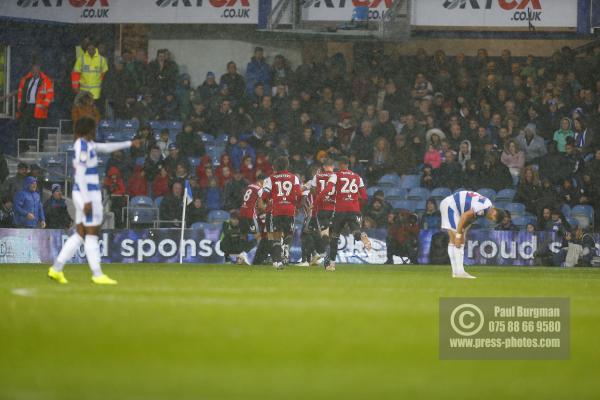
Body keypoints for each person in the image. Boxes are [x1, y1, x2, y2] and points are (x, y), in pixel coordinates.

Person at [48, 116, 141, 285]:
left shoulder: (87, 144)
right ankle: (97, 274)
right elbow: (81, 174)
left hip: (85, 193)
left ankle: (56, 268)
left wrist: (129, 143)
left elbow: (105, 148)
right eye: (93, 128)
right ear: (88, 130)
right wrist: (86, 201)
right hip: (87, 194)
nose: (95, 131)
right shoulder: (82, 146)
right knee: (91, 234)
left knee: (81, 234)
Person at [317, 156, 371, 271]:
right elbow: (365, 197)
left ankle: (332, 264)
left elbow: (328, 189)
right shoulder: (358, 177)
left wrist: (318, 199)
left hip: (340, 210)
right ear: (348, 164)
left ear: (340, 164)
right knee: (355, 232)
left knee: (334, 236)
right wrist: (356, 206)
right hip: (354, 210)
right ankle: (362, 235)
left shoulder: (335, 175)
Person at [439, 190, 504, 279]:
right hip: (450, 206)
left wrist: (463, 231)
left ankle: (456, 272)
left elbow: (470, 219)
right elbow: (464, 216)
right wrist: (459, 235)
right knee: (457, 240)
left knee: (454, 240)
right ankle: (460, 272)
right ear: (494, 212)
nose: (490, 219)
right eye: (492, 218)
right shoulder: (483, 207)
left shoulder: (487, 206)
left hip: (450, 205)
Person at [261, 156, 302, 269]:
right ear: (287, 165)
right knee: (289, 233)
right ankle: (285, 247)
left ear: (276, 166)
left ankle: (278, 262)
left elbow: (264, 196)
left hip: (277, 210)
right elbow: (299, 194)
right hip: (289, 209)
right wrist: (296, 206)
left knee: (276, 236)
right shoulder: (294, 178)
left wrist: (269, 200)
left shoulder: (271, 178)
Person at [304, 159, 337, 265]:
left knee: (322, 234)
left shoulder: (317, 177)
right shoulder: (337, 176)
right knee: (331, 234)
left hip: (321, 208)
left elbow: (313, 191)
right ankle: (326, 257)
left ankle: (323, 255)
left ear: (323, 166)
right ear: (333, 165)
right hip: (335, 209)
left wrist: (316, 192)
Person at [16, 61, 54, 152]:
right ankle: (23, 146)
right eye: (33, 70)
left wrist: (45, 104)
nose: (34, 72)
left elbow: (50, 93)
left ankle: (40, 146)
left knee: (39, 128)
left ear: (40, 69)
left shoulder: (46, 80)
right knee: (23, 126)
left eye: (36, 69)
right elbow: (21, 92)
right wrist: (19, 104)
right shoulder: (25, 79)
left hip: (40, 107)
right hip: (27, 106)